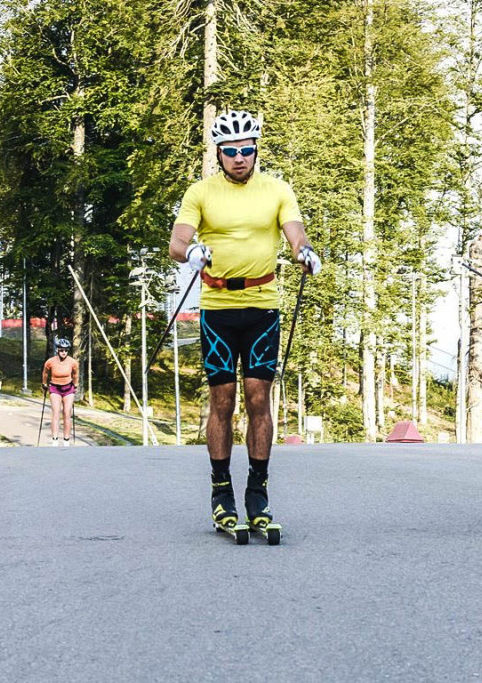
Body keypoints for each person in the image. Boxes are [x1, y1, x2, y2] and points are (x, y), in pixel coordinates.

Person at [167, 110, 321, 531]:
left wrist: (304, 252)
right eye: (231, 151)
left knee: (258, 398)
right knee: (223, 401)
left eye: (246, 150)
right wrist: (192, 253)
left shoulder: (277, 189)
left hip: (262, 305)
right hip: (217, 308)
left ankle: (258, 492)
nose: (239, 158)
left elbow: (295, 232)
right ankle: (221, 492)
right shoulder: (201, 191)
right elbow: (177, 243)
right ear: (218, 153)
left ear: (256, 151)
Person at [41, 337, 79, 447]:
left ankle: (66, 440)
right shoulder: (50, 362)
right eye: (61, 350)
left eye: (66, 350)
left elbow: (75, 374)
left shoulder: (73, 362)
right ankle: (55, 439)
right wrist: (44, 384)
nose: (64, 352)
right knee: (56, 412)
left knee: (67, 413)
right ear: (57, 350)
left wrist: (75, 385)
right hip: (55, 388)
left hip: (68, 388)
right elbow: (45, 374)